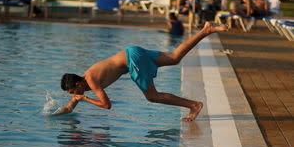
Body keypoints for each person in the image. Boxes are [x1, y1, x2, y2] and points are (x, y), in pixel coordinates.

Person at [57, 22, 229, 120]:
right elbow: (70, 106)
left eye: (73, 91)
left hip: (133, 60)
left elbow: (107, 105)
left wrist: (85, 99)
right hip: (132, 52)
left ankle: (194, 105)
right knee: (175, 58)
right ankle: (206, 30)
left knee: (152, 96)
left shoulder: (92, 81)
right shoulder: (82, 83)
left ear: (79, 84)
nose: (74, 95)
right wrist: (55, 115)